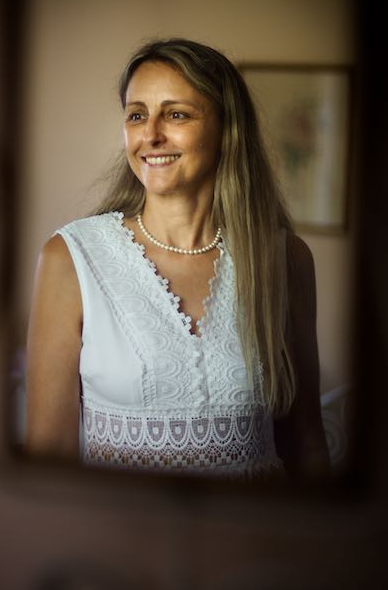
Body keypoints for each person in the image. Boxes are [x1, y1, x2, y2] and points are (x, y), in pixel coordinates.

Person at [25, 38, 330, 479]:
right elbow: (48, 456)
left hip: (258, 541)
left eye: (176, 114)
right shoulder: (72, 259)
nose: (151, 135)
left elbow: (306, 441)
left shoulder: (284, 259)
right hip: (118, 542)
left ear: (227, 129)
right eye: (136, 115)